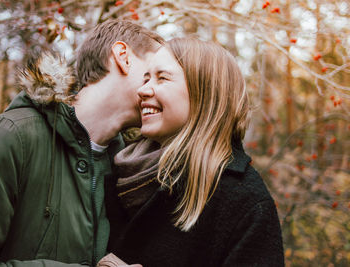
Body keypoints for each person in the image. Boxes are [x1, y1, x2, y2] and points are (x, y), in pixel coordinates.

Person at [0, 20, 163, 266]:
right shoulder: (11, 137)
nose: (160, 88)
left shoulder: (128, 169)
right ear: (123, 56)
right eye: (156, 73)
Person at [103, 38, 285, 267]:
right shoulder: (115, 168)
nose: (142, 90)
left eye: (162, 78)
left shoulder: (245, 202)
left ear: (205, 92)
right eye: (146, 78)